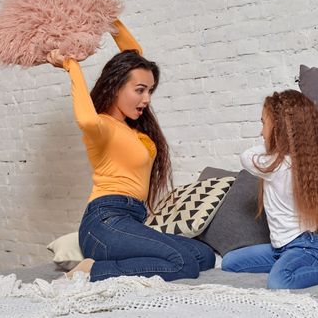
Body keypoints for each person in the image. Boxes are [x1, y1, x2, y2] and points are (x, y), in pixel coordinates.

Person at [47, 20, 215, 282]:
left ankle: (118, 260)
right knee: (183, 264)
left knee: (203, 255)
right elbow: (86, 119)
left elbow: (135, 57)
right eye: (140, 90)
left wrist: (110, 20)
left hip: (131, 220)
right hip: (104, 220)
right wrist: (71, 65)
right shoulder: (102, 125)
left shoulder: (135, 130)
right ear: (115, 86)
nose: (146, 99)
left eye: (149, 91)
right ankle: (92, 270)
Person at [221, 85, 318, 289]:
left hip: (304, 248)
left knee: (279, 282)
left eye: (264, 124)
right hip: (280, 249)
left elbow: (245, 157)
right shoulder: (302, 163)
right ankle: (290, 266)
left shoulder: (278, 166)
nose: (261, 132)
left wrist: (274, 144)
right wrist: (281, 142)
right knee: (230, 262)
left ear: (279, 129)